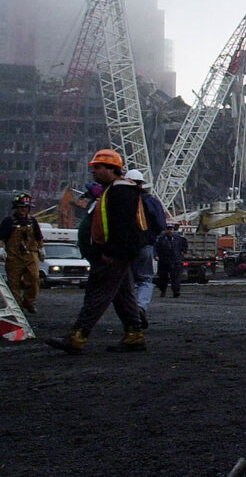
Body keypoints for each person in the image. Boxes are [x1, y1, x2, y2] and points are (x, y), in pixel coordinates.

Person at [46, 149, 149, 354]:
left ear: (111, 169)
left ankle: (78, 336)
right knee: (123, 295)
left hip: (114, 254)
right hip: (117, 253)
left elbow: (122, 226)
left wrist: (110, 252)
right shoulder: (114, 190)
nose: (93, 172)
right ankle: (134, 334)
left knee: (98, 294)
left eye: (97, 168)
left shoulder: (120, 191)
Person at [125, 169, 166, 328]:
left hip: (125, 246)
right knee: (146, 279)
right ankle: (141, 306)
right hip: (146, 245)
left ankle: (130, 311)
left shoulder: (120, 200)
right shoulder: (150, 200)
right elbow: (161, 223)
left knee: (127, 280)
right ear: (142, 183)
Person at [1, 193, 45, 315]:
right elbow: (0, 237)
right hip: (13, 257)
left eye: (25, 207)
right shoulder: (8, 221)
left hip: (31, 255)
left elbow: (38, 236)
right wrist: (1, 249)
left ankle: (29, 302)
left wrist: (41, 249)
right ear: (16, 208)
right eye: (21, 207)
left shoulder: (32, 221)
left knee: (35, 278)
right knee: (14, 283)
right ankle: (17, 307)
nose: (23, 210)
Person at [154, 223, 188, 298]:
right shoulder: (161, 239)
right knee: (163, 277)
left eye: (171, 229)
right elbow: (156, 248)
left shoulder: (178, 238)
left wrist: (183, 252)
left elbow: (185, 244)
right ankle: (163, 291)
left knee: (175, 277)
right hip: (164, 260)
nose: (169, 231)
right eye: (168, 229)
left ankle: (176, 292)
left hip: (175, 260)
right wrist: (155, 255)